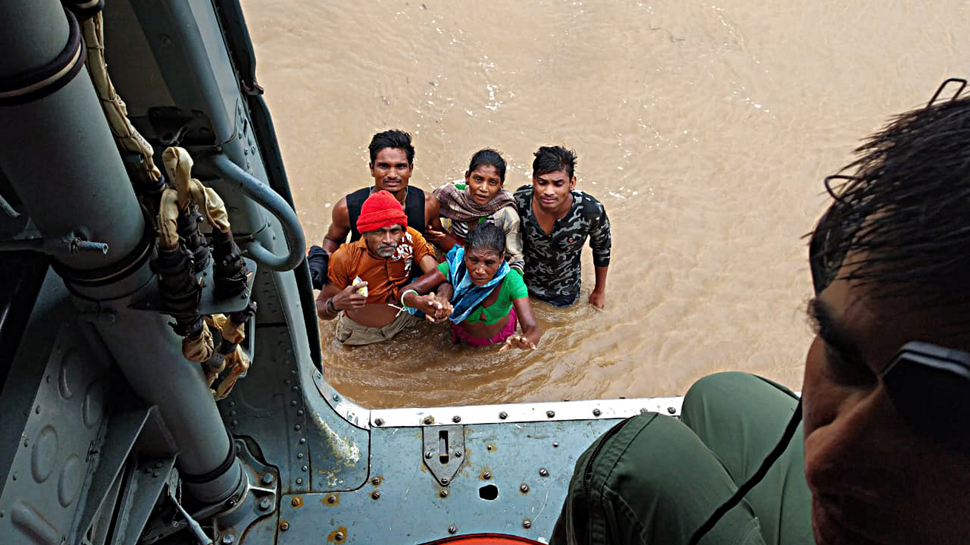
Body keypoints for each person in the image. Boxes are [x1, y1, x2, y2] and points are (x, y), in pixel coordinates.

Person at [551, 89, 970, 545]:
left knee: (629, 462)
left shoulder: (590, 212)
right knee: (719, 396)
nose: (823, 460)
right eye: (844, 355)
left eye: (943, 416)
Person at [307, 129, 444, 289]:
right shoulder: (347, 208)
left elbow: (437, 236)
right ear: (372, 168)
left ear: (410, 169)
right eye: (383, 166)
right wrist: (324, 262)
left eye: (400, 166)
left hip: (410, 281)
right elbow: (332, 240)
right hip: (365, 282)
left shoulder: (428, 204)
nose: (392, 174)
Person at [316, 190, 450, 346]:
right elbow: (321, 309)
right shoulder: (344, 257)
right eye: (378, 231)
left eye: (394, 231)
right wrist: (335, 304)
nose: (388, 240)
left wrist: (441, 299)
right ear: (364, 232)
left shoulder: (411, 239)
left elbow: (440, 278)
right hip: (360, 333)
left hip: (405, 319)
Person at [405, 223, 542, 350]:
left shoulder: (510, 280)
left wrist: (525, 340)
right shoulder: (453, 268)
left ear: (501, 258)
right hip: (463, 336)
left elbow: (532, 327)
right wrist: (420, 302)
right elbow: (406, 292)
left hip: (503, 338)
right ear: (465, 254)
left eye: (489, 262)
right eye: (474, 260)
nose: (480, 270)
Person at [514, 146, 611, 308]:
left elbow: (602, 249)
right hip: (522, 286)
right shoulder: (520, 200)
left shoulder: (590, 211)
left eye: (558, 184)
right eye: (542, 182)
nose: (548, 191)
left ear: (572, 183)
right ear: (533, 180)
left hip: (564, 292)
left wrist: (599, 291)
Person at [426, 149, 525, 273]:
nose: (483, 188)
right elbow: (429, 231)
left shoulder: (506, 215)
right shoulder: (449, 196)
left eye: (492, 182)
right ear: (467, 177)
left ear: (501, 185)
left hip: (485, 273)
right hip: (447, 263)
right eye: (478, 179)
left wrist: (510, 287)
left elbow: (515, 259)